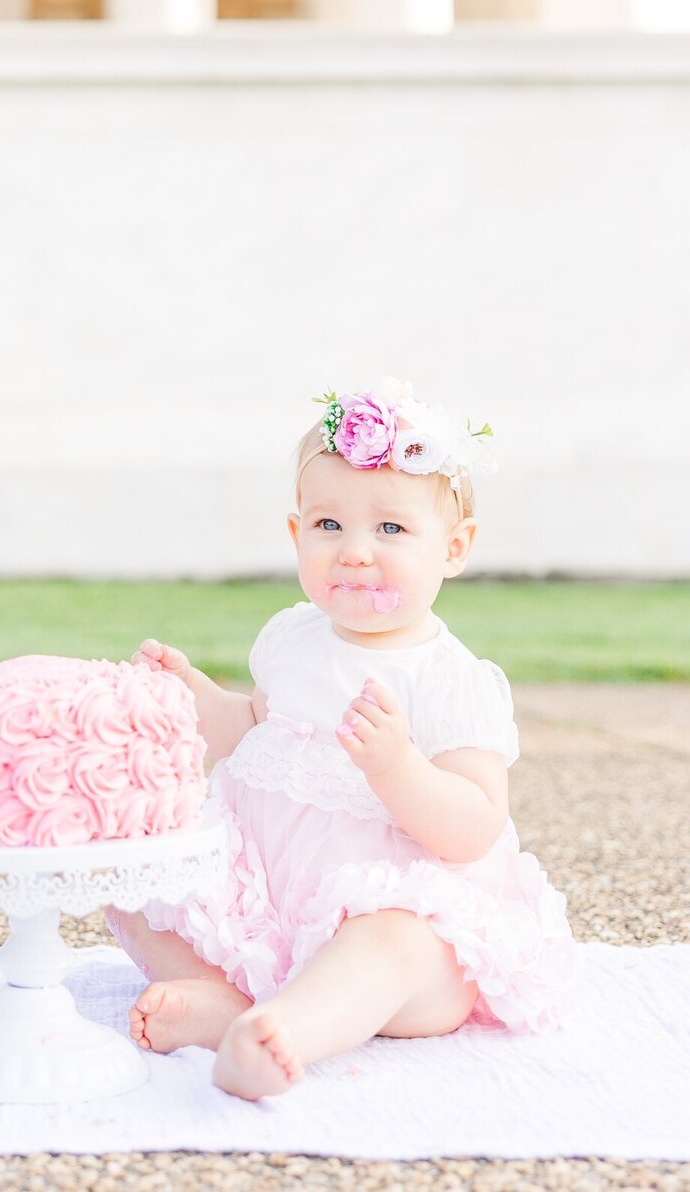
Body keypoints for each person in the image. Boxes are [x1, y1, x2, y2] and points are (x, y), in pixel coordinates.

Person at [110, 377, 578, 1100]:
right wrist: (194, 697)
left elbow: (474, 827)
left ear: (453, 549)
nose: (355, 552)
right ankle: (227, 999)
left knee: (391, 942)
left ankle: (283, 1032)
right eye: (330, 527)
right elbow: (255, 733)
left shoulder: (451, 679)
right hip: (270, 906)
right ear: (298, 534)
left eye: (390, 530)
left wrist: (398, 768)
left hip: (396, 914)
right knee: (137, 884)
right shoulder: (292, 638)